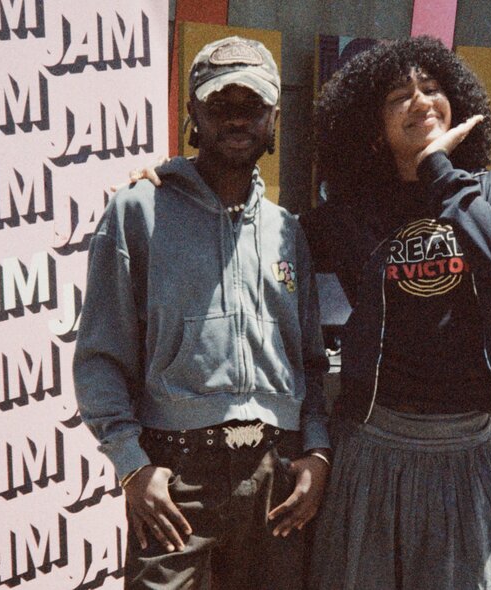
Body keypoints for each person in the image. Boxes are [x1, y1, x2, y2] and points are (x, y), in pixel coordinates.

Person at [73, 36, 331, 590]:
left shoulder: (288, 231)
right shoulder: (138, 212)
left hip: (275, 475)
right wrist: (132, 467)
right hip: (176, 477)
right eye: (220, 105)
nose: (237, 120)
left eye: (253, 106)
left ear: (274, 118)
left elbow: (309, 359)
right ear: (192, 112)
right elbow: (99, 357)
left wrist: (317, 453)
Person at [298, 36, 491, 589]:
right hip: (376, 443)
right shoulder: (348, 215)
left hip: (465, 448)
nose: (420, 100)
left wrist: (438, 169)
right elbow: (259, 238)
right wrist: (175, 185)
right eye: (398, 95)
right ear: (371, 124)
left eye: (432, 89)